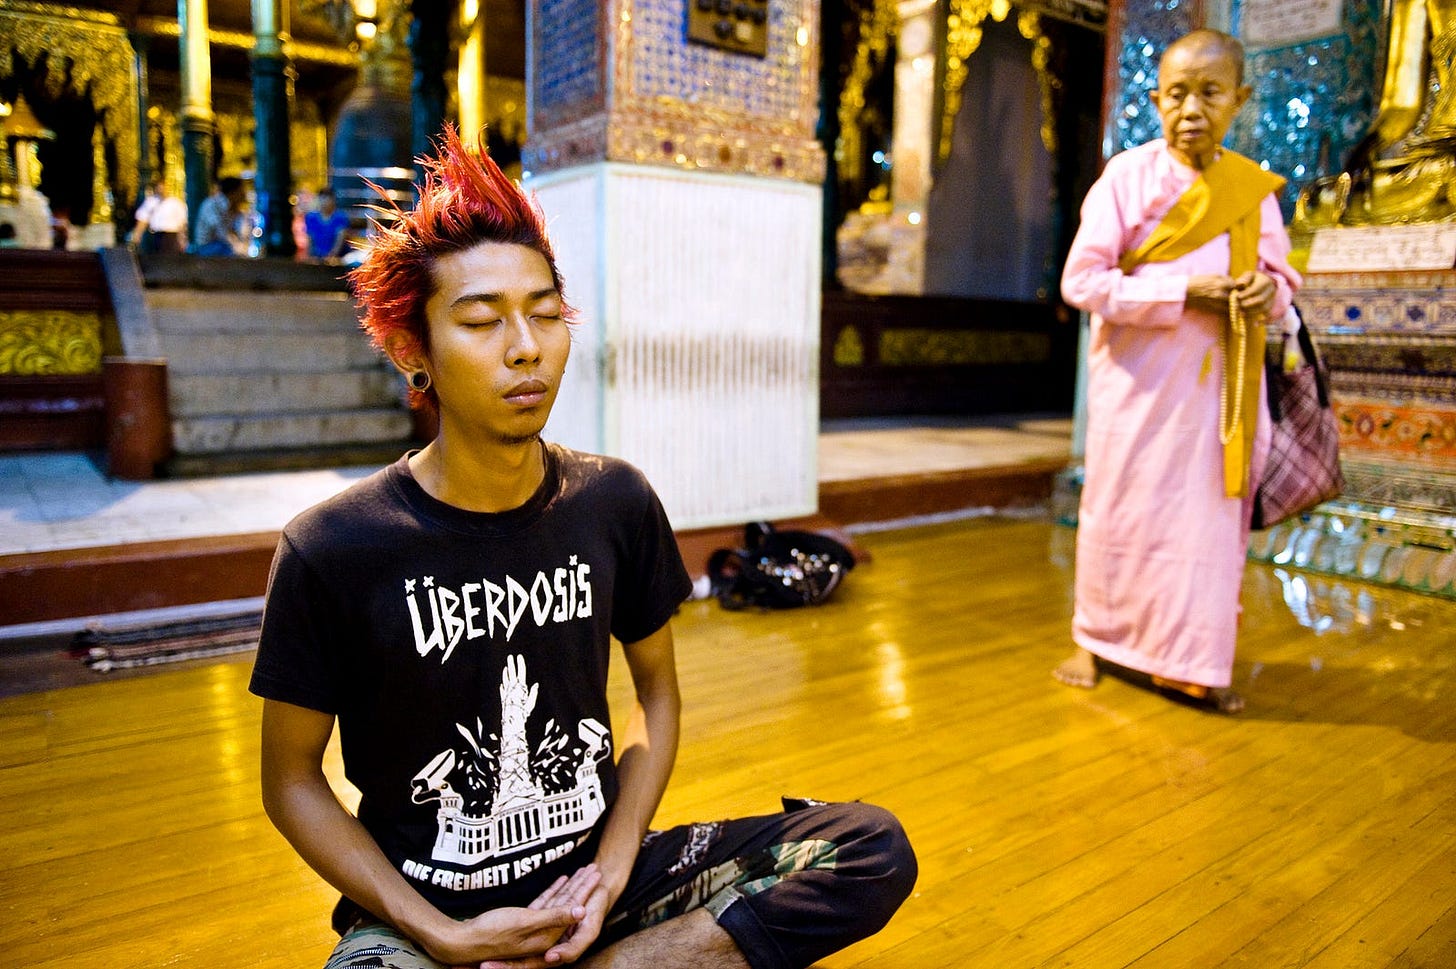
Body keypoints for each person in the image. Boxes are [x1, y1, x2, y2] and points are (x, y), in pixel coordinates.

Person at [250, 125, 916, 969]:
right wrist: (441, 931)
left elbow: (657, 696)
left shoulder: (613, 500)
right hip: (428, 916)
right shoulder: (333, 548)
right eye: (481, 320)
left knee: (868, 848)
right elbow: (291, 780)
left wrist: (612, 866)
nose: (525, 346)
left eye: (543, 314)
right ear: (414, 351)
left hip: (598, 882)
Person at [1052, 29, 1302, 714]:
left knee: (1204, 528)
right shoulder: (1126, 178)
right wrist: (1183, 293)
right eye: (1177, 94)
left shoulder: (1252, 190)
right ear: (1158, 99)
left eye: (1210, 93)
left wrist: (1266, 290)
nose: (1192, 109)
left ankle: (1190, 663)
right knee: (1118, 513)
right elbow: (1082, 282)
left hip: (1220, 394)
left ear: (1239, 100)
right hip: (1137, 385)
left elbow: (1283, 282)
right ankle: (1095, 641)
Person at [191, 176, 247, 256]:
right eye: (241, 191)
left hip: (220, 246)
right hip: (206, 247)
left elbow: (238, 232)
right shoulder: (213, 205)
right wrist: (236, 245)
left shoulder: (234, 210)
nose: (244, 194)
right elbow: (219, 231)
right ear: (233, 192)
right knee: (229, 251)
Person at [130, 179, 188, 255]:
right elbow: (142, 219)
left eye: (164, 187)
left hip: (172, 236)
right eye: (160, 187)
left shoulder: (176, 203)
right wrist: (137, 235)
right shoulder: (151, 202)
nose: (162, 190)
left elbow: (182, 224)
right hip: (156, 236)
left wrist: (182, 240)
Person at [304, 186, 352, 261]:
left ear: (333, 200)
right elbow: (310, 241)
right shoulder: (311, 218)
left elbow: (340, 240)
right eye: (322, 198)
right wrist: (311, 258)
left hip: (338, 259)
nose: (324, 201)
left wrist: (331, 257)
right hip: (317, 257)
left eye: (327, 198)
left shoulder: (341, 217)